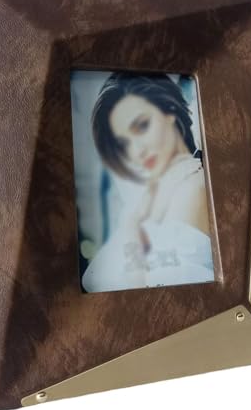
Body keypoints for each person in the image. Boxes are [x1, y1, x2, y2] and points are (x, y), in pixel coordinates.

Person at [82, 72, 214, 293]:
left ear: (170, 110)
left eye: (142, 126)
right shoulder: (154, 193)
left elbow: (148, 301)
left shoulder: (191, 191)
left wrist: (132, 229)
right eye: (124, 144)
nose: (137, 150)